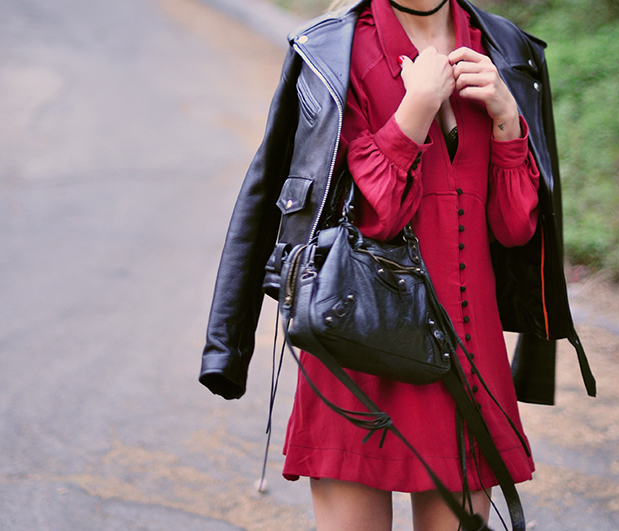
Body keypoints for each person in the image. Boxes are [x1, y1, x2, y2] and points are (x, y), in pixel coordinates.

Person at [199, 1, 596, 530]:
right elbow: (371, 218)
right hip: (356, 345)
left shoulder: (505, 49)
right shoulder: (335, 49)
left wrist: (505, 117)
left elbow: (514, 227)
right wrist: (416, 109)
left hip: (466, 358)